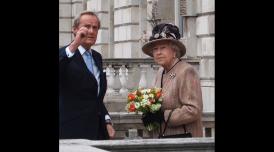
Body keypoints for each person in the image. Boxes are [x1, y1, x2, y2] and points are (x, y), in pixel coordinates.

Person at [59, 11, 115, 140]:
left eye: (95, 28)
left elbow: (96, 98)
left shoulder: (97, 57)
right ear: (75, 30)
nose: (91, 31)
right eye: (87, 26)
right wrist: (75, 44)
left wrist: (106, 120)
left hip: (97, 131)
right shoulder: (65, 54)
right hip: (71, 132)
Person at [142, 23, 203, 137]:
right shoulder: (160, 72)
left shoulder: (186, 71)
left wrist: (163, 116)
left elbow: (193, 110)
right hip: (164, 140)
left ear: (175, 51)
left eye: (163, 48)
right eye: (155, 49)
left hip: (184, 141)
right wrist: (150, 114)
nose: (158, 52)